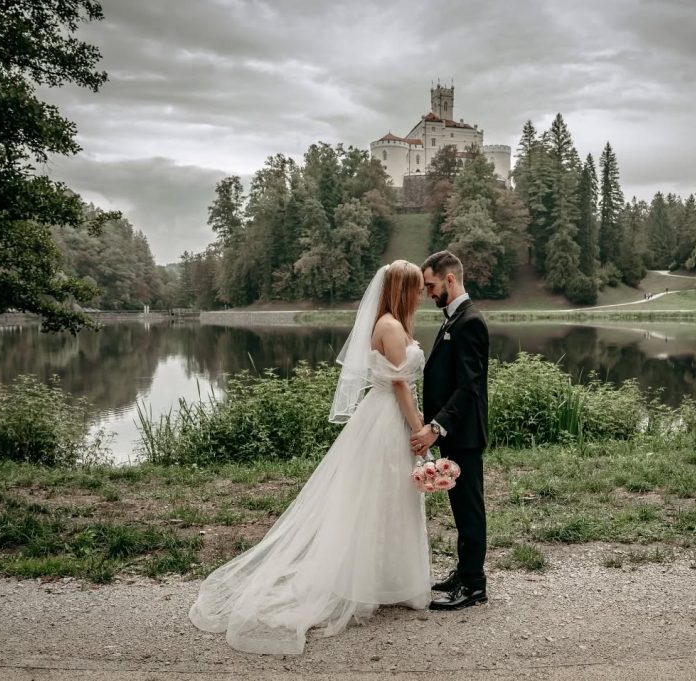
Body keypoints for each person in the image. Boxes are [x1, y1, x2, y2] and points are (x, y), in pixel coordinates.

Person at [189, 261, 431, 655]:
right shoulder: (389, 326)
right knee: (379, 496)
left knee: (392, 496)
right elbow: (401, 385)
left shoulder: (394, 325)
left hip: (390, 415)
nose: (421, 295)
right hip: (388, 419)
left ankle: (391, 580)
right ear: (403, 289)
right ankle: (367, 583)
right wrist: (420, 429)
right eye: (417, 288)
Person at [410, 250, 490, 611]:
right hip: (455, 432)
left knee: (470, 508)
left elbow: (469, 386)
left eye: (431, 285)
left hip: (465, 434)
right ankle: (464, 572)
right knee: (460, 506)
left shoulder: (470, 322)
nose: (429, 292)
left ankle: (474, 585)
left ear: (450, 279)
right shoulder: (453, 319)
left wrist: (436, 427)